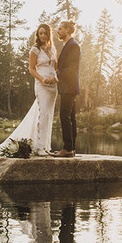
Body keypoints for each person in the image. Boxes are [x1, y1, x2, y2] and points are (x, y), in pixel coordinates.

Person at [0, 23, 58, 156]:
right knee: (43, 113)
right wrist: (43, 80)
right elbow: (31, 69)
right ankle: (38, 147)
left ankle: (46, 146)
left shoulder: (52, 48)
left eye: (45, 33)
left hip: (53, 86)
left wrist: (55, 78)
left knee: (49, 114)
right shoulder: (35, 50)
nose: (42, 35)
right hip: (42, 84)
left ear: (48, 34)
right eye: (40, 33)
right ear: (37, 35)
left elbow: (56, 66)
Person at [53, 20, 80, 158]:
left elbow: (72, 69)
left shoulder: (73, 45)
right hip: (68, 86)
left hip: (69, 86)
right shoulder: (68, 45)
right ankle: (72, 149)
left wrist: (57, 76)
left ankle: (67, 148)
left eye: (60, 29)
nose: (58, 31)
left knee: (64, 115)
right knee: (70, 117)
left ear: (68, 30)